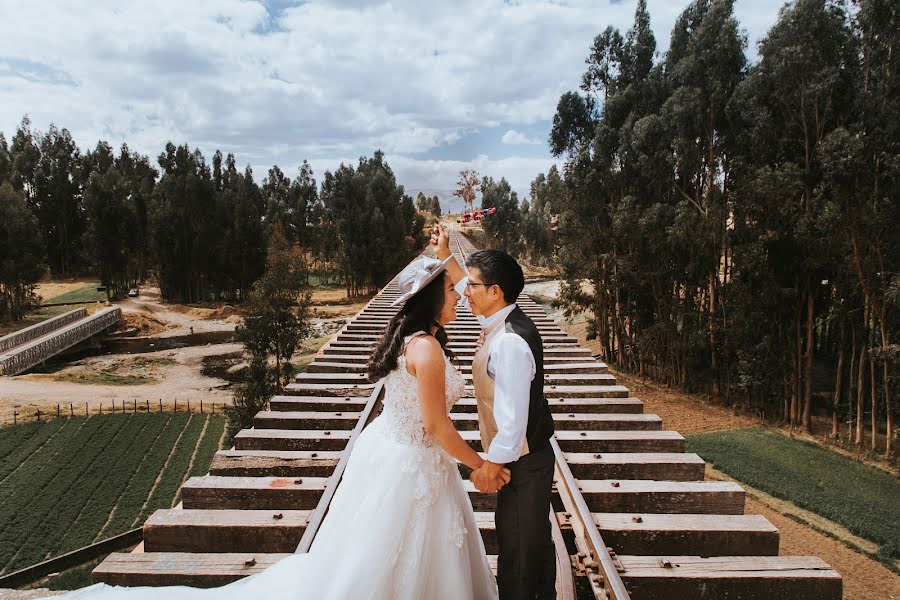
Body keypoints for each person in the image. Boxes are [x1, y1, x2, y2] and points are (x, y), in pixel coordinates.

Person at [56, 255, 505, 600]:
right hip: (413, 461)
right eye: (449, 290)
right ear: (429, 299)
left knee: (381, 554)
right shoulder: (425, 350)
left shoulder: (414, 340)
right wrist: (479, 465)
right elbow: (436, 426)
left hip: (396, 454)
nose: (458, 296)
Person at [431, 224, 556, 600]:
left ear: (495, 292)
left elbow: (514, 424)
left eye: (471, 286)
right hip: (522, 462)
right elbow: (467, 284)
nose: (463, 292)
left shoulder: (511, 344)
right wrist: (443, 255)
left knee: (519, 555)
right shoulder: (499, 321)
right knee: (529, 545)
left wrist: (489, 467)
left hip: (521, 463)